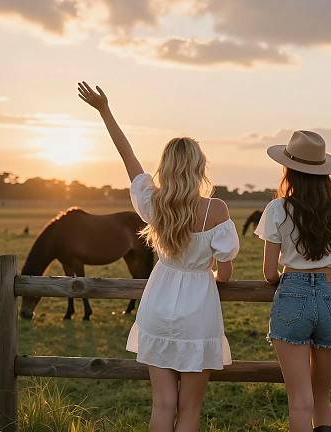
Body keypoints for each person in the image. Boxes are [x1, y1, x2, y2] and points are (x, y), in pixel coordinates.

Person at [77, 82, 239, 432]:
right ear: (199, 168)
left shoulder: (154, 202)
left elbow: (128, 156)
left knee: (162, 404)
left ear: (166, 166)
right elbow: (225, 274)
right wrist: (209, 272)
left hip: (157, 304)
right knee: (190, 408)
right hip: (199, 311)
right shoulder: (217, 209)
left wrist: (105, 110)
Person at [255, 130, 331, 432]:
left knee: (299, 401)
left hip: (291, 293)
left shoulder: (278, 208)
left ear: (289, 169)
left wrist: (288, 281)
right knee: (321, 396)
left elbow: (268, 273)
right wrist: (328, 280)